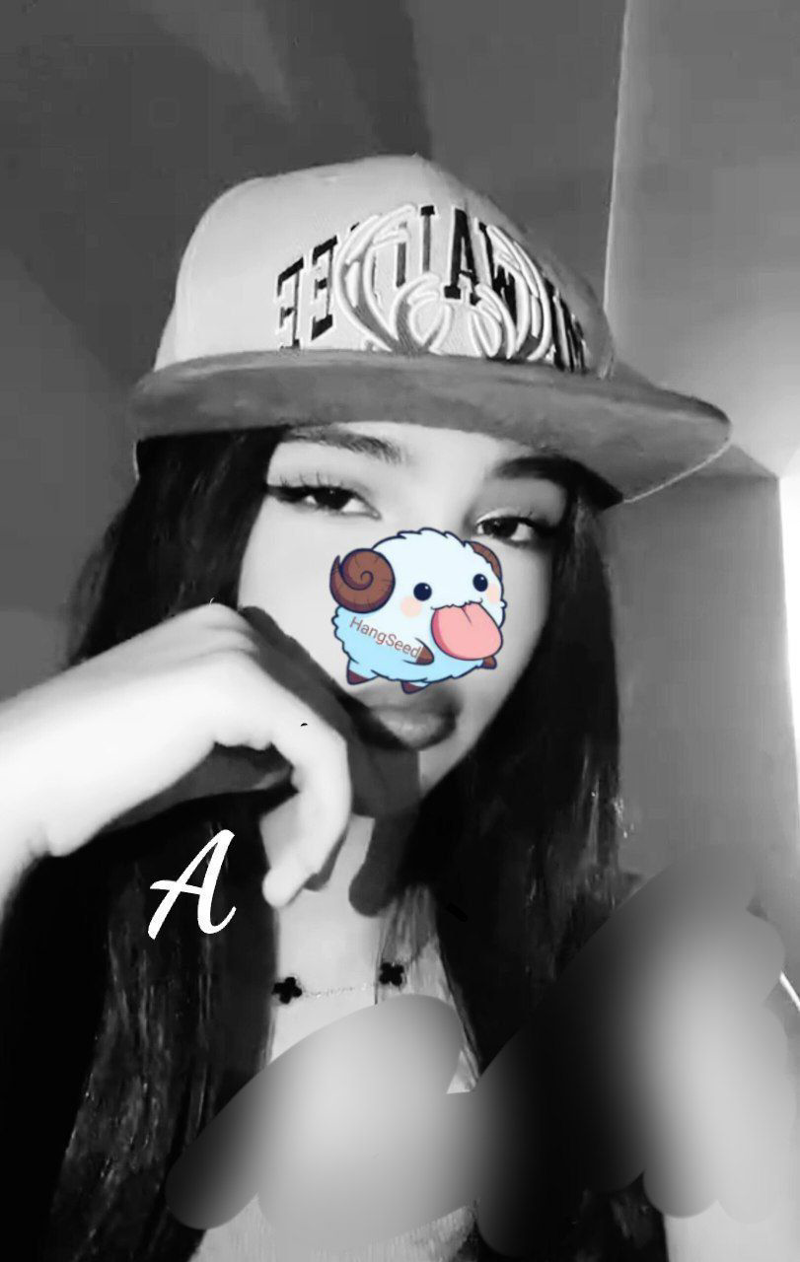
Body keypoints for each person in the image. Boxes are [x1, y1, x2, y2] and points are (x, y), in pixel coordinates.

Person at [0, 155, 795, 1262]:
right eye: (335, 494)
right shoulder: (34, 945)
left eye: (509, 525)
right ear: (196, 522)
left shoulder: (659, 993)